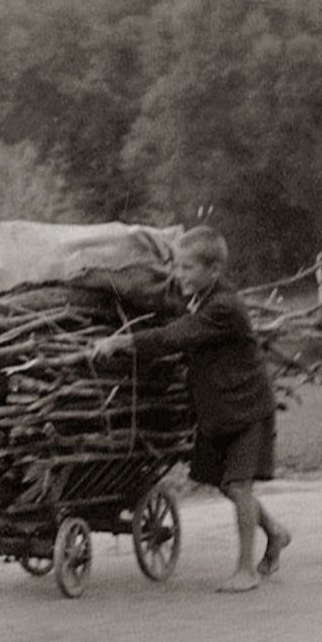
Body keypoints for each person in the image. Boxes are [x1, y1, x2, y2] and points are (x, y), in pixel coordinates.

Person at [93, 225, 289, 593]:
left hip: (246, 407)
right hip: (220, 409)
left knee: (238, 486)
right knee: (227, 486)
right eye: (177, 266)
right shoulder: (197, 296)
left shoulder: (223, 307)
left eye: (186, 268)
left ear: (213, 271)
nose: (178, 275)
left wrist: (123, 341)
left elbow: (175, 336)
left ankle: (245, 571)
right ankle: (275, 533)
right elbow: (156, 295)